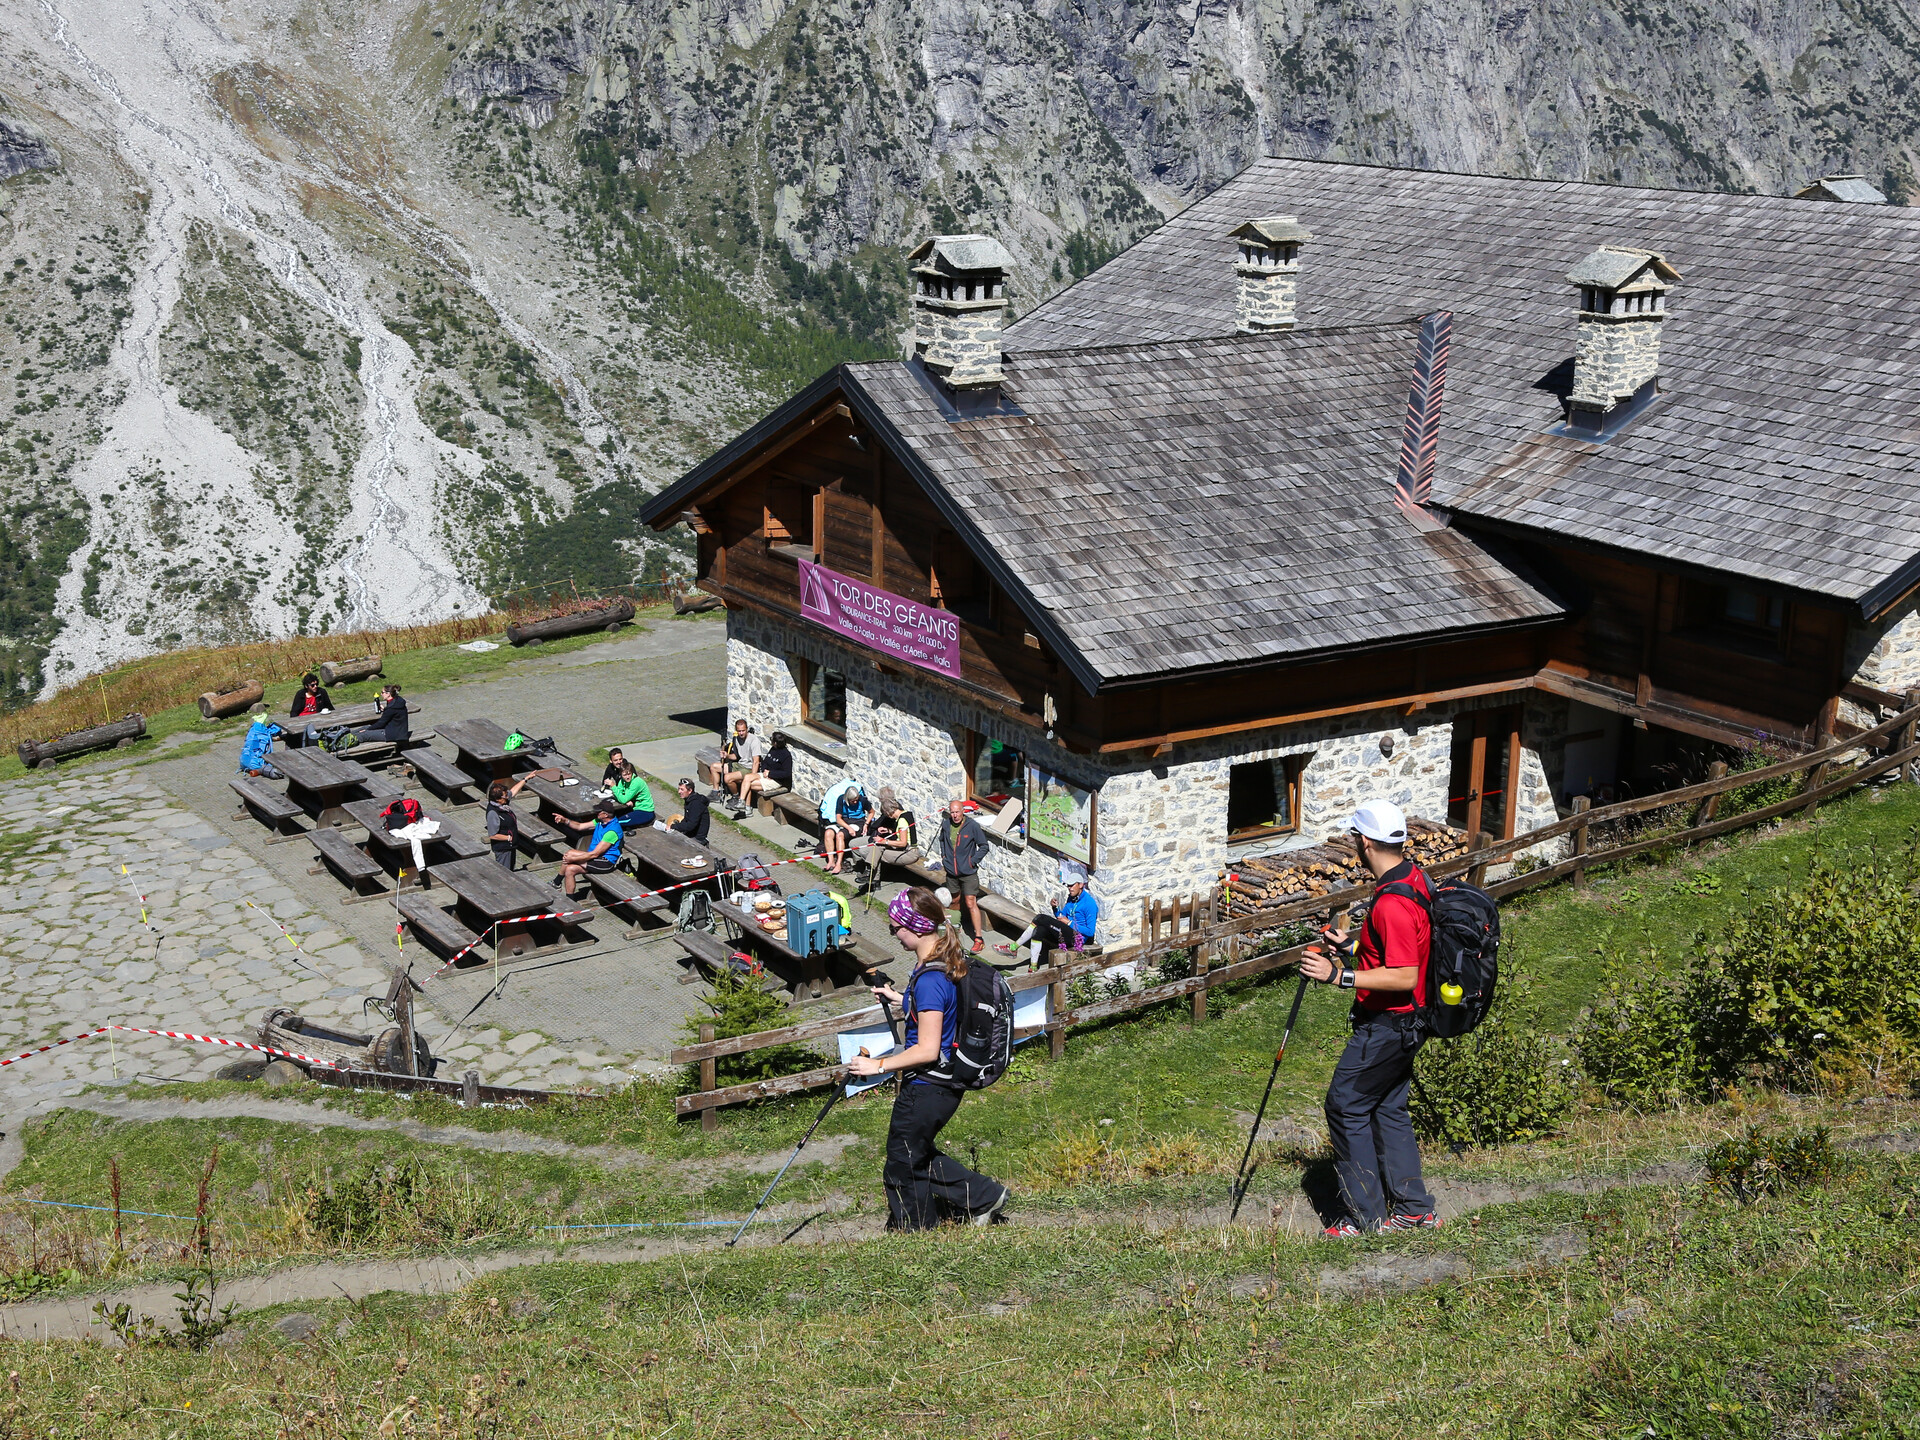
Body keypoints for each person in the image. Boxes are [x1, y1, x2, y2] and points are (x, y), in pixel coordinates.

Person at [1300, 800, 1440, 1237]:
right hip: (1410, 1021)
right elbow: (1403, 952)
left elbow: (1403, 975)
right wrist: (1354, 946)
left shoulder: (1390, 904)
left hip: (1388, 1025)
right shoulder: (1412, 878)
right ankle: (1414, 1209)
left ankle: (1366, 1218)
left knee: (1344, 1106)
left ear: (1364, 842)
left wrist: (1338, 975)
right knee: (1388, 1107)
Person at [847, 887, 1010, 1230]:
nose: (893, 935)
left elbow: (927, 1049)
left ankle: (917, 1232)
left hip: (928, 1086)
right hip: (943, 1084)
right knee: (914, 1152)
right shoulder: (940, 962)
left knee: (902, 1161)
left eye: (895, 928)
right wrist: (899, 998)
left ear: (915, 927)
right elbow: (936, 1012)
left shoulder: (930, 980)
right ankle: (982, 1196)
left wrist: (876, 1066)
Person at [997, 861, 1098, 969]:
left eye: (1072, 885)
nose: (1070, 888)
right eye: (1068, 886)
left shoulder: (1090, 904)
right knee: (1039, 930)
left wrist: (1069, 923)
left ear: (1081, 885)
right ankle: (1033, 967)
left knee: (1040, 918)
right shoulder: (1071, 898)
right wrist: (1055, 908)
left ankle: (1013, 947)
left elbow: (1090, 932)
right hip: (1064, 933)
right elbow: (1060, 916)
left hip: (1077, 939)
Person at [935, 797, 989, 954]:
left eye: (957, 812)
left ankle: (979, 938)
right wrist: (944, 858)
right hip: (952, 872)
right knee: (954, 901)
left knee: (971, 902)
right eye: (952, 812)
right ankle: (953, 932)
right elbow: (942, 841)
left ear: (963, 811)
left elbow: (984, 846)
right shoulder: (946, 824)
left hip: (969, 872)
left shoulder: (972, 826)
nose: (955, 815)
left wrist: (973, 861)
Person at [553, 802, 624, 896]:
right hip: (594, 857)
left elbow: (595, 854)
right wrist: (565, 820)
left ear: (605, 815)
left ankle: (557, 883)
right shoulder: (599, 821)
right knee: (570, 861)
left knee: (570, 861)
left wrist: (573, 859)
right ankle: (567, 895)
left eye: (599, 812)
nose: (596, 813)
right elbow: (579, 826)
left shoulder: (612, 832)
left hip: (605, 862)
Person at [821, 783, 871, 874]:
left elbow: (871, 812)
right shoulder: (841, 799)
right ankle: (831, 861)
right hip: (845, 822)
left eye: (856, 800)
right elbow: (838, 818)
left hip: (858, 822)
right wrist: (848, 828)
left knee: (840, 835)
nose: (855, 802)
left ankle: (838, 863)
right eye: (852, 801)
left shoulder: (862, 800)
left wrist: (866, 824)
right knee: (828, 832)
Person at [484, 778, 529, 870]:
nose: (507, 797)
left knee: (511, 869)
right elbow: (492, 835)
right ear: (497, 799)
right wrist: (509, 838)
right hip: (503, 849)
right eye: (505, 796)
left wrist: (525, 779)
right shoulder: (493, 813)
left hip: (511, 846)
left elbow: (512, 791)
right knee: (505, 872)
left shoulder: (502, 804)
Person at [609, 760, 655, 829]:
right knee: (610, 816)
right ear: (621, 775)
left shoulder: (636, 782)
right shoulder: (622, 781)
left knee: (615, 823)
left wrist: (613, 786)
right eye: (624, 775)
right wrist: (626, 799)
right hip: (635, 808)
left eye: (629, 774)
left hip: (645, 811)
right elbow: (619, 794)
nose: (627, 777)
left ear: (632, 773)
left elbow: (622, 798)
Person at [287, 674, 331, 744]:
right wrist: (295, 723)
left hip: (316, 719)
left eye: (316, 684)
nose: (315, 687)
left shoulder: (321, 692)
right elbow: (294, 712)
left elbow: (329, 707)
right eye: (312, 685)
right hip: (303, 720)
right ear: (306, 686)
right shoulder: (300, 694)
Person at [668, 777, 711, 843]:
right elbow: (687, 819)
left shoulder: (696, 804)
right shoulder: (689, 799)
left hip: (697, 838)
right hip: (691, 833)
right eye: (679, 789)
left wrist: (673, 826)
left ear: (690, 790)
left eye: (682, 789)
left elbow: (690, 825)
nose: (679, 792)